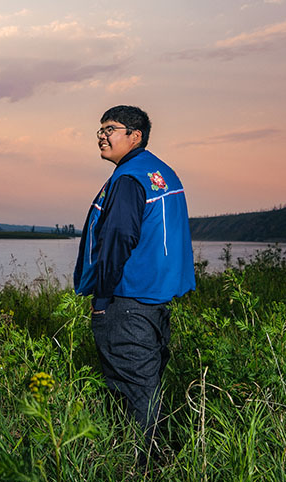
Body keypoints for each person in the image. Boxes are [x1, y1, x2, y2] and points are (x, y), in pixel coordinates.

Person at [73, 105, 195, 462]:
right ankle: (150, 465)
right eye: (99, 129)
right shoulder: (161, 172)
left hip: (127, 302)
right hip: (155, 302)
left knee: (133, 396)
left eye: (110, 128)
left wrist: (101, 298)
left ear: (135, 135)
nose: (101, 135)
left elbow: (117, 240)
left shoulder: (128, 179)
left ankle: (143, 473)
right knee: (145, 389)